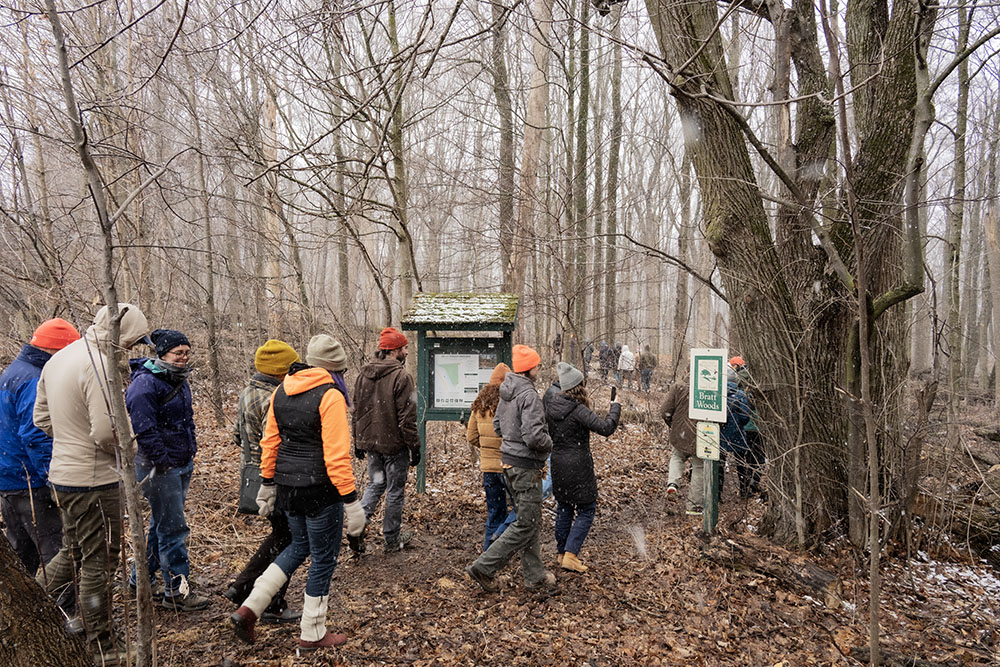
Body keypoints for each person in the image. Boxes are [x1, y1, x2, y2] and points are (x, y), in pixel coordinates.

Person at [230, 334, 366, 650]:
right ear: (336, 370)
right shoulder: (330, 396)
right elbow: (336, 456)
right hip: (321, 491)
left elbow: (270, 443)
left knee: (297, 546)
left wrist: (267, 483)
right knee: (323, 559)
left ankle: (249, 609)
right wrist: (352, 502)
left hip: (289, 488)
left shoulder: (281, 390)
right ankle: (313, 633)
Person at [34, 303, 150, 664]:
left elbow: (41, 417)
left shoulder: (58, 360)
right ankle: (103, 644)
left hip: (64, 476)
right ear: (119, 335)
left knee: (72, 551)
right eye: (131, 342)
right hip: (93, 481)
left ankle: (33, 601)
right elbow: (106, 431)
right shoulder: (99, 366)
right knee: (100, 560)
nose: (132, 349)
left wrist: (70, 440)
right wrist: (126, 452)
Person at [125, 328, 210, 611]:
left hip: (180, 462)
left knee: (162, 524)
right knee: (173, 528)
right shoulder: (144, 385)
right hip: (158, 468)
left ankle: (141, 580)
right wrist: (163, 463)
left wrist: (189, 452)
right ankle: (177, 590)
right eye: (178, 353)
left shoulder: (178, 379)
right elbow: (145, 430)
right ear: (162, 353)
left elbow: (186, 421)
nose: (184, 358)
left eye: (186, 352)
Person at [465, 344, 556, 594]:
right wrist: (550, 442)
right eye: (537, 365)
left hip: (509, 465)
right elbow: (534, 436)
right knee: (526, 523)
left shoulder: (507, 392)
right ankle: (485, 566)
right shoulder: (528, 396)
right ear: (531, 368)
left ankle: (535, 576)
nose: (539, 368)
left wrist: (513, 443)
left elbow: (498, 426)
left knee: (530, 520)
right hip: (526, 467)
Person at [224, 339, 302, 623]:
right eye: (292, 366)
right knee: (288, 538)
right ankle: (269, 601)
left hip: (255, 475)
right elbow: (283, 442)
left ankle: (243, 587)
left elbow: (236, 436)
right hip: (275, 476)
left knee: (282, 535)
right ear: (281, 371)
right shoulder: (275, 399)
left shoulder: (248, 392)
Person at [1, 318, 79, 578]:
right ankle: (62, 615)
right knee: (56, 556)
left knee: (23, 556)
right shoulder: (35, 379)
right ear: (56, 351)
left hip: (11, 479)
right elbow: (36, 436)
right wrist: (54, 481)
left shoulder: (14, 371)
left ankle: (27, 615)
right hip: (30, 482)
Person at [546, 363, 620, 573]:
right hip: (578, 466)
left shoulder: (551, 407)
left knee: (564, 507)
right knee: (586, 509)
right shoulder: (578, 411)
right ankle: (570, 554)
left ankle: (561, 554)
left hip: (558, 464)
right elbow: (606, 428)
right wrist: (615, 406)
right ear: (580, 386)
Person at [353, 326, 419, 553]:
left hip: (371, 443)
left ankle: (357, 526)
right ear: (394, 351)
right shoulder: (402, 377)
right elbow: (408, 418)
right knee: (394, 489)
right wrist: (415, 447)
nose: (407, 352)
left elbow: (357, 411)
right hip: (393, 445)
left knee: (376, 483)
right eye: (404, 348)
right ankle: (392, 537)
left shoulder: (363, 375)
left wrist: (358, 441)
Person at [466, 363, 513, 551]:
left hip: (488, 469)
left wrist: (486, 448)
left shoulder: (480, 405)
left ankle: (488, 554)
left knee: (494, 512)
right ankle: (499, 537)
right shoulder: (510, 403)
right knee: (521, 510)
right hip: (508, 467)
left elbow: (472, 436)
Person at [660, 378, 704, 515]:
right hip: (701, 433)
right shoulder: (710, 387)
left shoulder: (679, 386)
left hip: (680, 431)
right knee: (699, 467)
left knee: (677, 457)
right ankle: (694, 506)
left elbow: (665, 410)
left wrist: (672, 425)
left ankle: (672, 483)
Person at [729, 357, 764, 497]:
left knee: (743, 457)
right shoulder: (761, 380)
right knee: (759, 457)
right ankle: (753, 484)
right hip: (758, 425)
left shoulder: (737, 380)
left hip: (743, 425)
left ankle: (744, 486)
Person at [719, 366, 751, 499]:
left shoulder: (718, 394)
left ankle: (717, 493)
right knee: (741, 464)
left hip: (721, 436)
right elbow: (745, 417)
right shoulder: (741, 395)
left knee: (719, 464)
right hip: (737, 434)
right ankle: (744, 491)